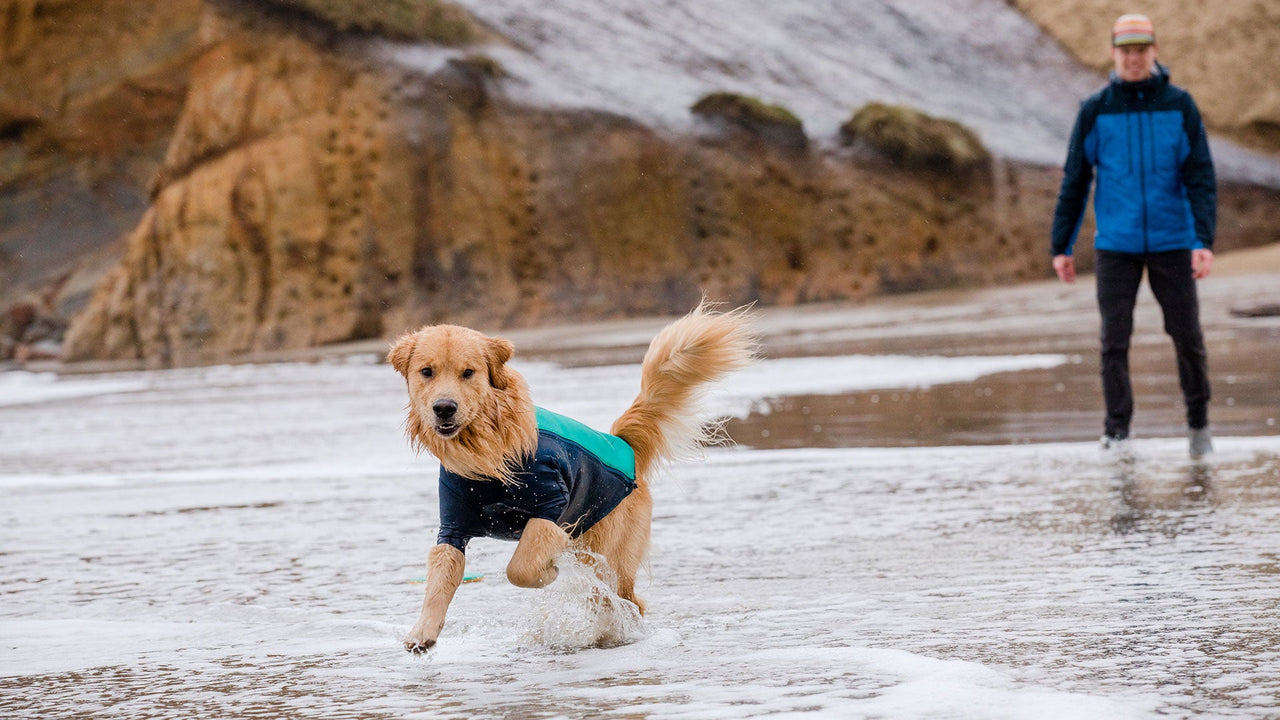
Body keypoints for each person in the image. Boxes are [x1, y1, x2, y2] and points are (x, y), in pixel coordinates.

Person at [1050, 13, 1216, 459]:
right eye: (1126, 51)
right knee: (1113, 341)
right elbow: (1076, 180)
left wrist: (1204, 240)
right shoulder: (1096, 110)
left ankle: (1199, 426)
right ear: (1114, 55)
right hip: (1116, 246)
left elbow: (1200, 176)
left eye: (1141, 50)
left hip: (1172, 240)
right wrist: (1061, 246)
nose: (1134, 59)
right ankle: (1117, 433)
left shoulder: (1180, 106)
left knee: (1187, 337)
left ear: (1154, 52)